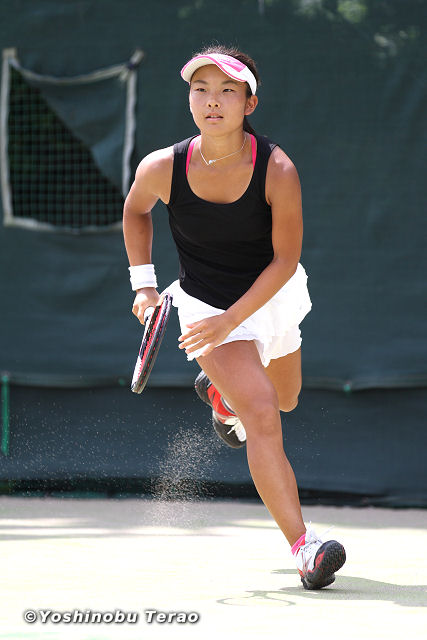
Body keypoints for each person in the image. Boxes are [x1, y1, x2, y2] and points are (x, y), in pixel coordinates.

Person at [123, 45, 346, 590]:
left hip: (272, 295)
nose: (212, 101)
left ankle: (224, 400)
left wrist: (235, 320)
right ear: (189, 100)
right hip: (204, 306)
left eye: (227, 91)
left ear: (249, 104)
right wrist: (144, 285)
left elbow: (285, 260)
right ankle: (305, 546)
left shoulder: (278, 169)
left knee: (286, 398)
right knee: (264, 413)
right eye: (201, 89)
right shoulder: (161, 167)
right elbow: (135, 211)